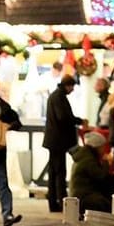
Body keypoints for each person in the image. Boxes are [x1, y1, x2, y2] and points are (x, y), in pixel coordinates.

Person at [42, 72, 79, 211]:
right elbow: (63, 117)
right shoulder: (59, 97)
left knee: (54, 172)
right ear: (67, 85)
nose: (73, 90)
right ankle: (59, 201)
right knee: (58, 172)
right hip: (58, 141)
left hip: (54, 140)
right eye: (72, 86)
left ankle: (54, 201)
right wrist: (78, 121)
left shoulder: (56, 96)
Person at [0, 77, 23, 226]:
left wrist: (7, 126)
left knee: (2, 183)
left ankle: (7, 214)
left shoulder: (4, 107)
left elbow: (17, 123)